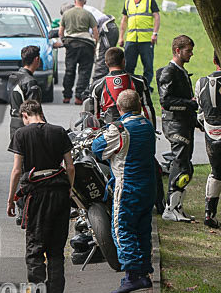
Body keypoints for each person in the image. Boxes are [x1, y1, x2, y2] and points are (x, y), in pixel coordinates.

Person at [8, 100, 74, 293]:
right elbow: (70, 166)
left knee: (35, 248)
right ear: (41, 113)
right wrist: (70, 190)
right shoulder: (59, 132)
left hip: (37, 196)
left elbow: (17, 171)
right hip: (60, 194)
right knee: (56, 247)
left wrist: (11, 199)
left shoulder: (21, 134)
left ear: (25, 116)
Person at [91, 89, 157, 293]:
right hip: (148, 186)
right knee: (143, 229)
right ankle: (144, 271)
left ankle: (132, 275)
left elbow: (97, 149)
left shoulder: (119, 130)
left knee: (122, 229)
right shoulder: (148, 124)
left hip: (127, 186)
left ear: (119, 108)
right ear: (139, 106)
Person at [157, 35, 199, 222]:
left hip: (184, 123)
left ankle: (177, 206)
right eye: (188, 51)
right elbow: (165, 102)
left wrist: (196, 120)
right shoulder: (169, 72)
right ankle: (170, 208)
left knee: (186, 166)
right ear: (177, 51)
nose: (191, 54)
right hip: (175, 125)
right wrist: (189, 104)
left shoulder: (181, 71)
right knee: (181, 164)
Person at [89, 47, 155, 127]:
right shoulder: (139, 81)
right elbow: (147, 108)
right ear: (124, 61)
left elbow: (94, 117)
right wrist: (152, 130)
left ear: (106, 63)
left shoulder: (97, 86)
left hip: (110, 131)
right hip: (135, 128)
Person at [195, 53, 221, 229]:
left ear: (214, 61)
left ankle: (209, 214)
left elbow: (200, 111)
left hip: (212, 134)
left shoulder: (201, 82)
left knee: (216, 172)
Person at [119, 0, 160, 91]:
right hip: (131, 39)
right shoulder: (128, 2)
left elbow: (156, 16)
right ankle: (129, 86)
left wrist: (155, 33)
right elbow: (124, 20)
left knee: (148, 66)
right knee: (128, 65)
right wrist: (121, 37)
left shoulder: (149, 0)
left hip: (146, 40)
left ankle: (145, 87)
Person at [58, 0, 99, 104]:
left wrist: (63, 41)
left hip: (71, 44)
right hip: (86, 45)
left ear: (74, 1)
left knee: (69, 71)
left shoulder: (67, 14)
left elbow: (60, 31)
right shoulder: (88, 14)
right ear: (85, 2)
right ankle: (79, 97)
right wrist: (95, 44)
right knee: (84, 72)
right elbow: (95, 31)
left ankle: (67, 96)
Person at [8, 45, 42, 138]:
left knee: (17, 152)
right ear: (37, 59)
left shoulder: (13, 77)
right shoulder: (30, 82)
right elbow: (34, 110)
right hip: (27, 127)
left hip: (14, 124)